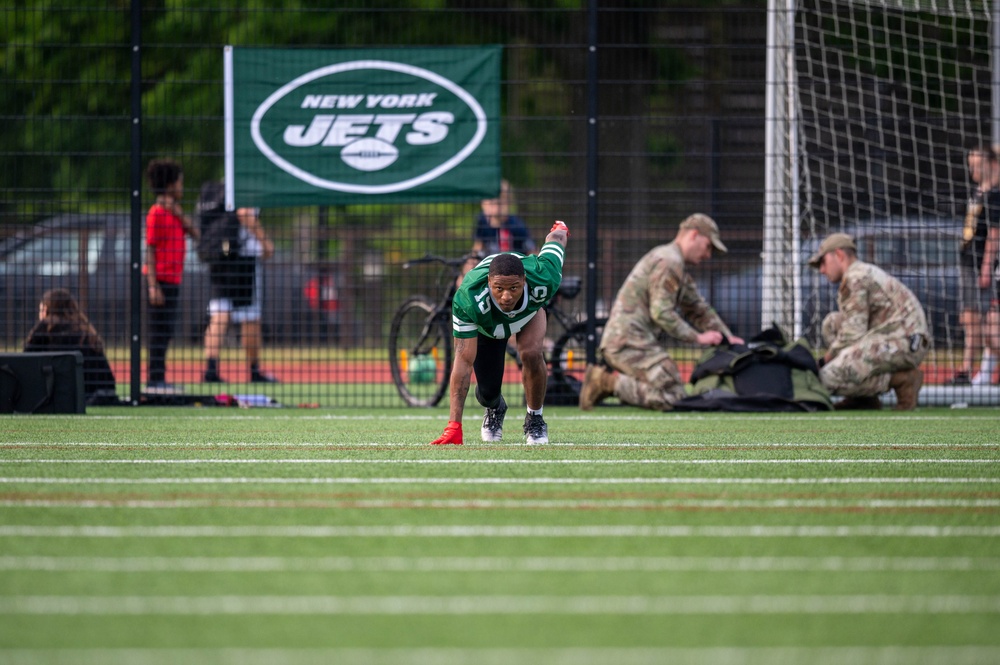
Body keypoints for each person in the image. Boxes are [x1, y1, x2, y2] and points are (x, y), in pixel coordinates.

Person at [579, 213, 744, 411]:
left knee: (676, 391)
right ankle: (604, 382)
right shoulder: (669, 262)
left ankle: (612, 385)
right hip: (627, 342)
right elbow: (662, 313)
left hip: (633, 341)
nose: (708, 255)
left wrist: (728, 338)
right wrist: (699, 338)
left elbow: (698, 309)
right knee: (673, 396)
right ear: (694, 235)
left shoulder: (675, 264)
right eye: (708, 246)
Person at [430, 220, 569, 446]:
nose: (506, 296)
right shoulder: (468, 299)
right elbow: (463, 363)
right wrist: (454, 426)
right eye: (499, 288)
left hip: (529, 315)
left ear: (524, 282)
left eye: (513, 288)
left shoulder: (544, 277)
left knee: (532, 353)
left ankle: (535, 419)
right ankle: (495, 408)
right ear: (488, 283)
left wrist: (559, 228)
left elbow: (557, 241)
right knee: (486, 393)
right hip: (488, 327)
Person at [809, 233, 929, 410]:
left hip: (903, 342)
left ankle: (902, 380)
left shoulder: (855, 277)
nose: (822, 270)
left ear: (839, 255)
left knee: (826, 378)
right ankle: (865, 399)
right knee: (832, 323)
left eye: (823, 262)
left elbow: (852, 334)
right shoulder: (861, 272)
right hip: (900, 338)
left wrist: (822, 362)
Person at [198, 181, 278, 384]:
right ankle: (254, 371)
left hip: (220, 257)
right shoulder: (246, 184)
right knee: (250, 316)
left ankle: (211, 369)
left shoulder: (217, 189)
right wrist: (265, 242)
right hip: (243, 259)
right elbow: (245, 214)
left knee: (219, 313)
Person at [145, 158, 199, 393]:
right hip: (160, 281)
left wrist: (178, 213)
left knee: (166, 331)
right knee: (158, 331)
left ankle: (159, 377)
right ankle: (154, 379)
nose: (182, 187)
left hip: (174, 280)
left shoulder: (174, 213)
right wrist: (153, 285)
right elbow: (149, 249)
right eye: (179, 183)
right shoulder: (156, 213)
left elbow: (196, 234)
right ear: (170, 185)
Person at [951, 145, 1000, 385]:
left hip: (982, 264)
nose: (973, 170)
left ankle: (975, 371)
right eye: (971, 165)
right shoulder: (978, 192)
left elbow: (994, 234)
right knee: (970, 319)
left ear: (992, 164)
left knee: (988, 322)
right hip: (967, 260)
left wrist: (986, 267)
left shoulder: (996, 194)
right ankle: (969, 370)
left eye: (977, 165)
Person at [23, 288, 117, 404]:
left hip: (58, 395)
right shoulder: (86, 330)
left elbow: (25, 361)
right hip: (97, 394)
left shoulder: (45, 327)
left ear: (46, 310)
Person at [458, 179, 537, 283]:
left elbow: (532, 252)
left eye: (499, 202)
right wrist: (464, 275)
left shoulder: (516, 225)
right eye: (490, 202)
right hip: (489, 274)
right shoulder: (482, 222)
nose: (495, 206)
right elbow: (476, 250)